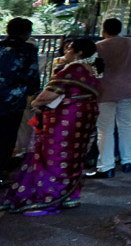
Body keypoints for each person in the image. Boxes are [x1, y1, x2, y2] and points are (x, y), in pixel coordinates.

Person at [0, 38, 101, 216]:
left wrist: (36, 103)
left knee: (53, 156)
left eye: (69, 49)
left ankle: (48, 197)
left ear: (80, 53)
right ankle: (70, 196)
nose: (66, 52)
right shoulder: (91, 70)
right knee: (73, 156)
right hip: (83, 119)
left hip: (66, 119)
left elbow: (50, 95)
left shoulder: (73, 69)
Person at [88, 18, 131, 179]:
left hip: (105, 92)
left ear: (103, 29)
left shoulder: (98, 47)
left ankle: (106, 167)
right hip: (129, 89)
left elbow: (94, 70)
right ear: (120, 29)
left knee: (104, 129)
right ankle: (128, 161)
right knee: (126, 126)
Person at [0, 18, 40, 185]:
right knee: (6, 136)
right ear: (26, 32)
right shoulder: (28, 49)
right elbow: (32, 75)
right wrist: (34, 92)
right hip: (12, 100)